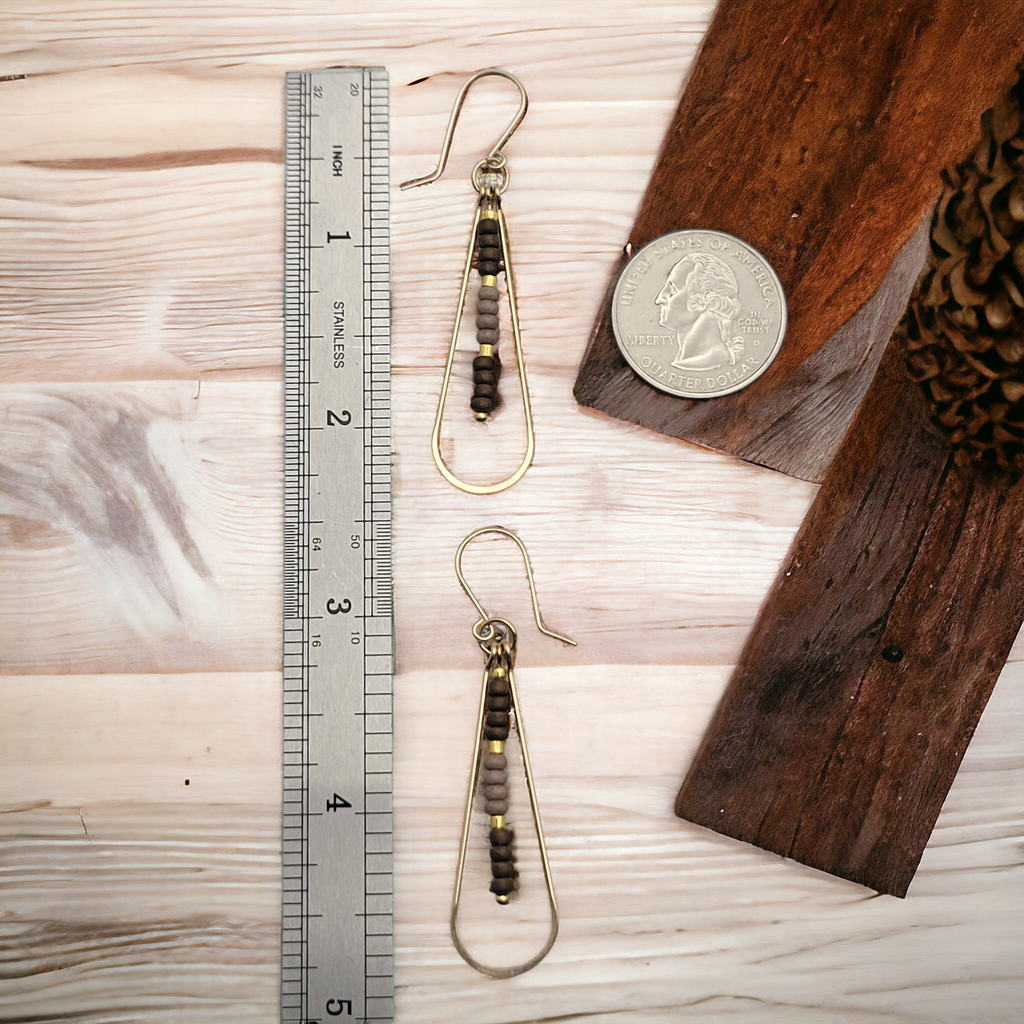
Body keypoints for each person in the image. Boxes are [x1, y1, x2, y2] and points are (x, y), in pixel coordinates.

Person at [655, 252, 745, 371]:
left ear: (703, 299)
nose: (659, 299)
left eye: (672, 289)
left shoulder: (709, 360)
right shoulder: (684, 361)